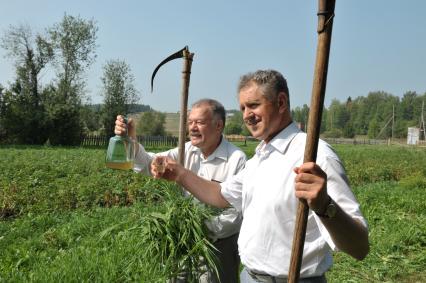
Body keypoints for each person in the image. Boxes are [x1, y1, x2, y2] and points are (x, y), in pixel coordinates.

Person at [151, 70, 370, 283]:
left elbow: (359, 247)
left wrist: (325, 206)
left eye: (254, 105)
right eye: (243, 107)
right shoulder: (258, 161)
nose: (247, 115)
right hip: (250, 277)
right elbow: (220, 194)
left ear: (281, 102)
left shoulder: (314, 156)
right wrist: (180, 174)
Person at [114, 98, 247, 283]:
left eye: (199, 122)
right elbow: (148, 163)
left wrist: (197, 228)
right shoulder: (185, 151)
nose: (192, 127)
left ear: (218, 125)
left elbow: (236, 215)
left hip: (218, 246)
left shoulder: (236, 159)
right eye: (190, 122)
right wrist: (130, 139)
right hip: (183, 242)